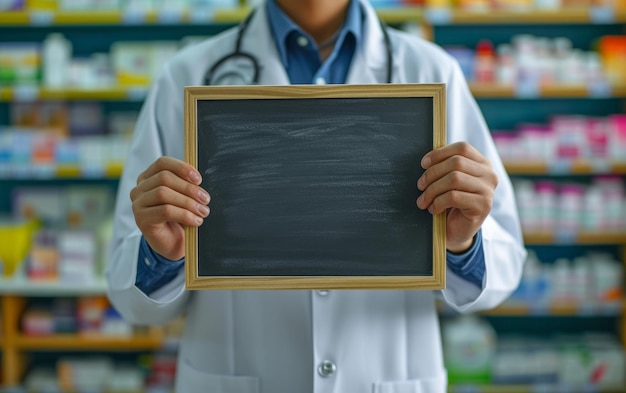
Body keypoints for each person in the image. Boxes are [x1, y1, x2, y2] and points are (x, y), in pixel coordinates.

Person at [106, 0, 527, 391]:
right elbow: (133, 301)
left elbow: (503, 269)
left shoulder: (430, 71)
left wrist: (462, 243)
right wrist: (162, 255)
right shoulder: (188, 76)